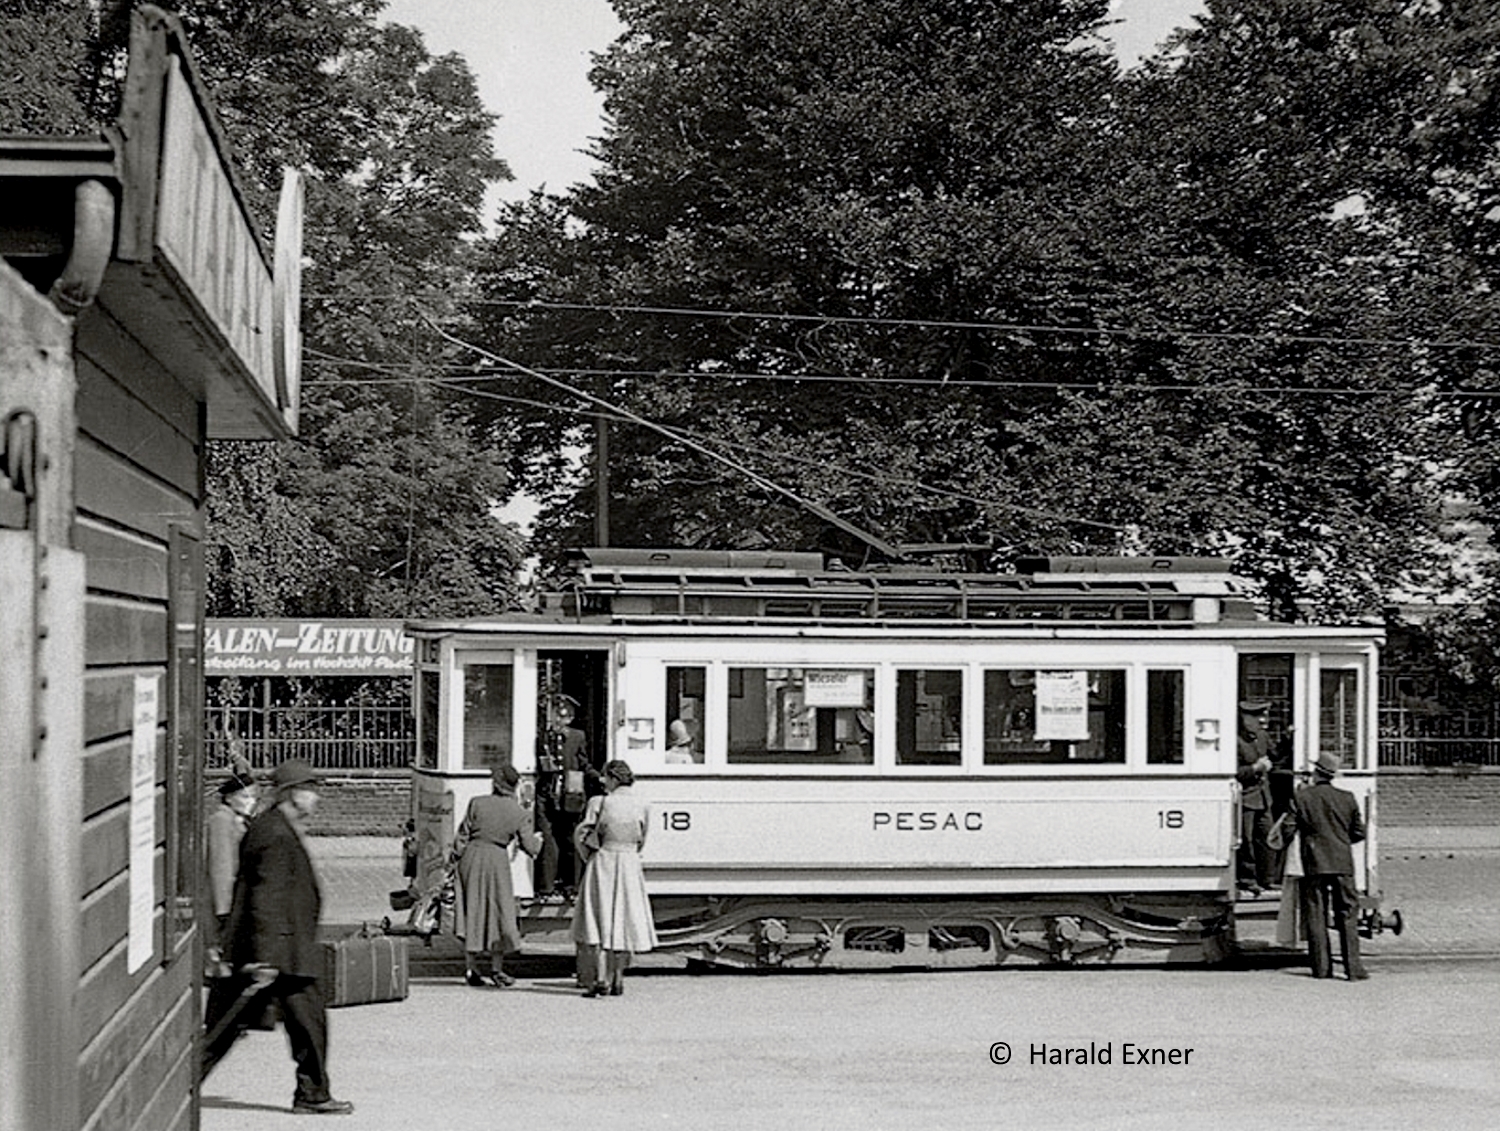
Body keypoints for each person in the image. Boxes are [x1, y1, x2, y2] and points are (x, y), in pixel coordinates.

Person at [201, 759, 354, 1116]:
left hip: (283, 949)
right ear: (291, 794)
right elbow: (264, 899)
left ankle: (313, 1093)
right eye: (310, 790)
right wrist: (266, 958)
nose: (316, 797)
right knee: (223, 1030)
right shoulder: (274, 834)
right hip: (276, 953)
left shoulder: (276, 826)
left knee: (306, 1023)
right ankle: (180, 1086)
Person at [571, 759, 658, 997]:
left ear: (613, 778)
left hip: (604, 860)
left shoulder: (600, 802)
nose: (603, 782)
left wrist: (587, 855)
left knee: (600, 918)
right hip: (629, 862)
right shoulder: (644, 804)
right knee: (623, 917)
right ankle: (618, 978)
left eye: (605, 778)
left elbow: (582, 833)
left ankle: (600, 978)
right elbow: (643, 839)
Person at [451, 765, 542, 987]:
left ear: (496, 783)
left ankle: (471, 968)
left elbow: (462, 837)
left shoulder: (477, 802)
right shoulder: (520, 813)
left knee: (472, 910)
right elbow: (530, 847)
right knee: (498, 911)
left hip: (471, 857)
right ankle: (496, 968)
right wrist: (539, 841)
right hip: (497, 860)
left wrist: (453, 860)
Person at [1284, 752, 1370, 981]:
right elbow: (1359, 833)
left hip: (1314, 863)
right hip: (1342, 862)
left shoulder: (1302, 797)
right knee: (1348, 913)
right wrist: (1340, 842)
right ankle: (1354, 969)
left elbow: (1287, 830)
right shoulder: (1348, 798)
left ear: (1315, 773)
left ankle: (1321, 969)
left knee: (1315, 913)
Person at [205, 771, 258, 948]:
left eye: (253, 796)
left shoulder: (237, 820)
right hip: (225, 903)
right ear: (229, 798)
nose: (251, 801)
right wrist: (224, 909)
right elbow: (221, 865)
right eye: (244, 796)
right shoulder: (221, 820)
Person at [1235, 701, 1274, 894]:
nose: (1263, 720)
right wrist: (1254, 769)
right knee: (1247, 840)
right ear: (1245, 718)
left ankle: (1268, 878)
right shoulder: (1236, 740)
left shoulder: (1262, 736)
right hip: (1247, 797)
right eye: (1258, 716)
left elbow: (1276, 756)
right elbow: (1232, 772)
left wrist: (1290, 740)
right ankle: (1247, 879)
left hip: (1264, 797)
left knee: (1268, 836)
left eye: (1264, 716)